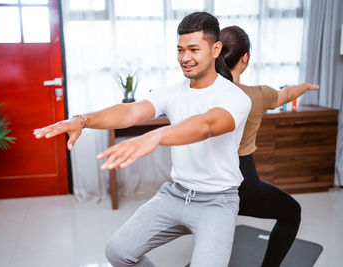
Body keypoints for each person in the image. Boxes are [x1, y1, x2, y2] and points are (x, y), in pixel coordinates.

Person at [34, 12, 251, 267]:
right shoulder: (171, 92)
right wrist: (83, 119)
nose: (185, 58)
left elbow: (207, 125)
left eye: (194, 49)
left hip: (217, 201)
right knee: (118, 251)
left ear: (215, 49)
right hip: (175, 194)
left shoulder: (235, 98)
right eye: (180, 50)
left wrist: (155, 136)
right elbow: (130, 111)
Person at [220, 25, 319, 267]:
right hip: (242, 183)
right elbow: (285, 95)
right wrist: (305, 86)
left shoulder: (202, 93)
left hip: (210, 181)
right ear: (245, 58)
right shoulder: (257, 95)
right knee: (292, 212)